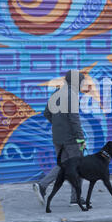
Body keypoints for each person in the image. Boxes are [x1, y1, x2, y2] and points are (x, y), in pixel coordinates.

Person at [33, 69, 89, 206]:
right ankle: (74, 197)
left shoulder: (57, 93)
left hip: (57, 137)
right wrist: (81, 138)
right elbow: (74, 119)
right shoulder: (72, 95)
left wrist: (58, 125)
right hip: (71, 139)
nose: (82, 83)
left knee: (64, 166)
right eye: (81, 81)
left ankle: (44, 186)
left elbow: (47, 113)